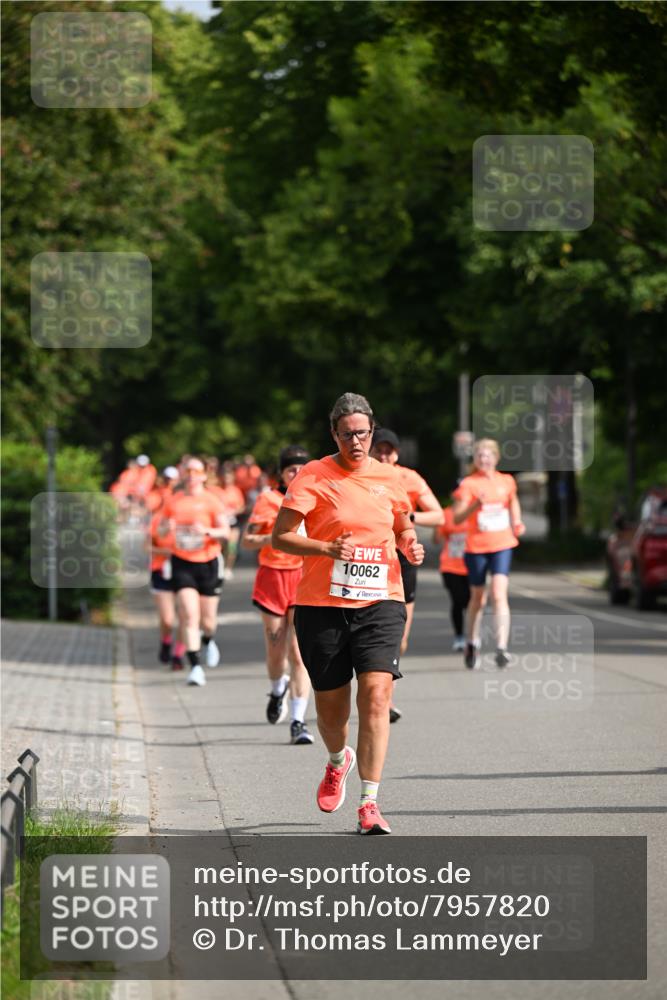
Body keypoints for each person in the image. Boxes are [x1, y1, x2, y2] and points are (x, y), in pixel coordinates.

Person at [272, 392, 424, 835]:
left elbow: (402, 522)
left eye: (362, 433)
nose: (355, 442)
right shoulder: (313, 476)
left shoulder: (390, 477)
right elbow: (282, 537)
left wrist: (411, 543)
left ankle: (369, 803)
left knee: (377, 695)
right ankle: (338, 760)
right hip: (322, 605)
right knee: (332, 713)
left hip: (381, 598)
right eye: (346, 434)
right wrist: (324, 547)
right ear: (333, 434)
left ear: (372, 431)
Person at [242, 445, 314, 745]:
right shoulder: (268, 499)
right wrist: (275, 537)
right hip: (272, 577)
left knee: (299, 652)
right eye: (291, 469)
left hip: (303, 578)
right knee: (276, 651)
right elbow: (247, 541)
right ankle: (276, 689)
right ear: (282, 473)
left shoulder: (314, 497)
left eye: (301, 468)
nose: (297, 474)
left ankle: (298, 721)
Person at [370, 428, 443, 723]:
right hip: (370, 557)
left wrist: (409, 518)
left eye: (389, 450)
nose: (384, 455)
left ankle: (385, 699)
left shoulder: (409, 478)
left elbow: (439, 515)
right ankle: (375, 694)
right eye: (380, 450)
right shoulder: (362, 476)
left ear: (397, 454)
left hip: (403, 557)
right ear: (371, 451)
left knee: (399, 637)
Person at [452, 439, 525, 669]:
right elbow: (457, 517)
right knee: (478, 598)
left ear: (496, 457)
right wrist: (475, 505)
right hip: (476, 547)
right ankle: (472, 641)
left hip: (502, 543)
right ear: (475, 459)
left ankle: (501, 647)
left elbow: (513, 502)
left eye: (488, 455)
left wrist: (517, 521)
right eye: (480, 456)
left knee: (499, 593)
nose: (484, 460)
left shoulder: (507, 481)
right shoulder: (468, 484)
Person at [159, 457, 230, 686]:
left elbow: (225, 532)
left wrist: (207, 531)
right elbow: (160, 532)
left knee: (208, 621)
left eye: (195, 470)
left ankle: (208, 640)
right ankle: (196, 667)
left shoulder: (212, 500)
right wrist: (165, 527)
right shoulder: (173, 501)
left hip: (208, 562)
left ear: (202, 474)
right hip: (182, 561)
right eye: (187, 470)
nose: (191, 474)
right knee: (189, 615)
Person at [435, 498, 470, 652]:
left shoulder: (474, 512)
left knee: (472, 603)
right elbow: (437, 540)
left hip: (472, 566)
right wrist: (439, 527)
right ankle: (459, 636)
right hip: (450, 566)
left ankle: (472, 636)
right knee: (458, 600)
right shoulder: (446, 514)